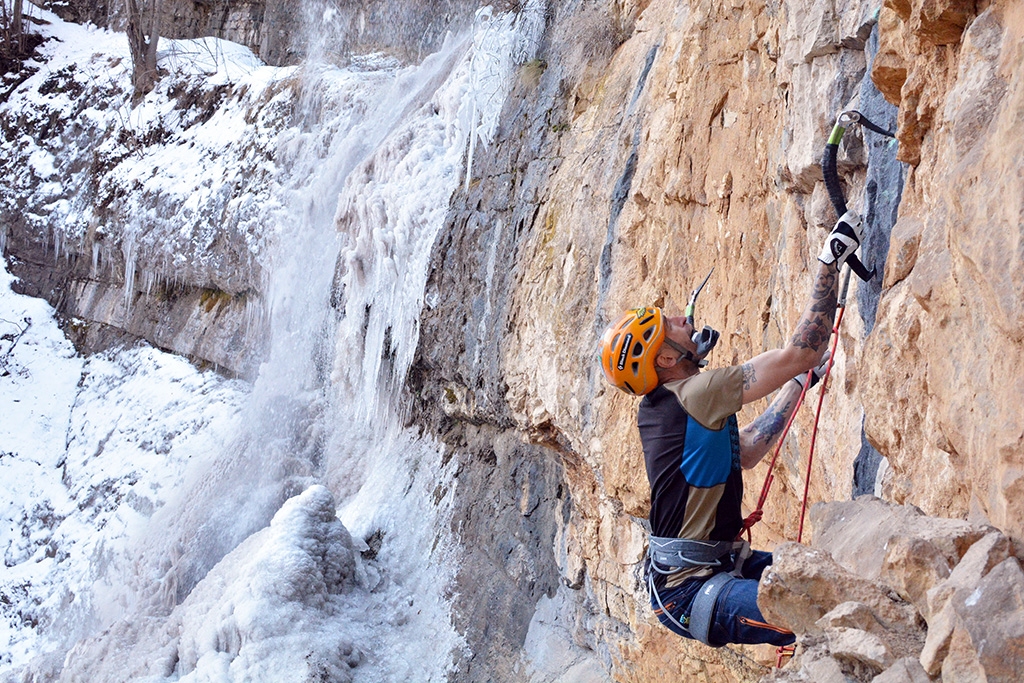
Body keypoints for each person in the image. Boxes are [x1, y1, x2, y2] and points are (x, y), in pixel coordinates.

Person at [597, 212, 864, 647]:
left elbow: (750, 448)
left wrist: (798, 385)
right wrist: (828, 262)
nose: (684, 320)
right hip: (691, 589)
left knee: (839, 591)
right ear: (665, 360)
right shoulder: (695, 394)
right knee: (830, 620)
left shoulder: (664, 407)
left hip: (704, 570)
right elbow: (802, 350)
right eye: (672, 326)